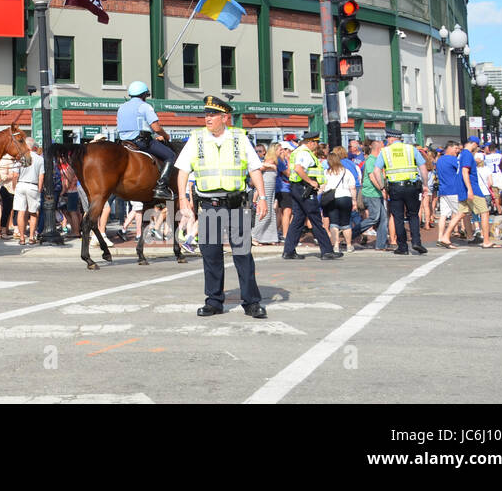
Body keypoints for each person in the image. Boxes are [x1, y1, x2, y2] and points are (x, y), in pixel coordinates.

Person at [175, 96, 268, 319]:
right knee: (211, 255)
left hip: (236, 203)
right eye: (206, 114)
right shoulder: (196, 138)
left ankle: (251, 302)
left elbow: (255, 168)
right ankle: (214, 301)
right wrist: (182, 198)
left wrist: (263, 197)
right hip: (209, 204)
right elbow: (183, 171)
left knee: (243, 254)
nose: (207, 118)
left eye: (212, 114)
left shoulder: (240, 138)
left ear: (225, 117)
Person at [281, 131, 339, 260]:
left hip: (297, 188)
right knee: (316, 219)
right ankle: (327, 251)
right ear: (310, 142)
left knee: (298, 219)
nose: (317, 145)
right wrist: (310, 181)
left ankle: (289, 251)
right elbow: (298, 168)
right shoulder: (305, 153)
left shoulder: (298, 152)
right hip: (304, 188)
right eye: (316, 142)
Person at [115, 81, 177, 200]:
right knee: (171, 155)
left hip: (124, 143)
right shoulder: (145, 106)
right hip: (141, 142)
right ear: (143, 95)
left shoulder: (122, 107)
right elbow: (156, 127)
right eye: (146, 95)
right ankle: (161, 187)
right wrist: (166, 136)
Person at [374, 132, 428, 255]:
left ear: (392, 138)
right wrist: (425, 185)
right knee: (413, 215)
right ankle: (416, 242)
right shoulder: (411, 149)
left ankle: (402, 247)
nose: (387, 140)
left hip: (395, 188)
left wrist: (382, 187)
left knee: (397, 217)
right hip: (412, 186)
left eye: (387, 138)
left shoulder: (385, 151)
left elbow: (376, 171)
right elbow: (423, 168)